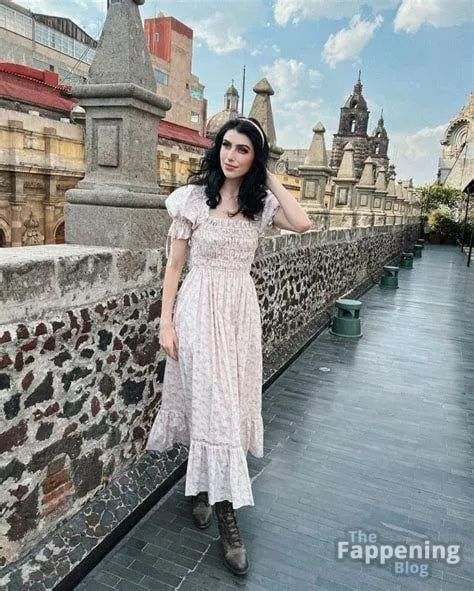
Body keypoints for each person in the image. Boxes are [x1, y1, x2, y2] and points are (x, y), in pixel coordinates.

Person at [147, 117, 311, 575]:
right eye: (226, 145)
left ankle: (202, 488)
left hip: (239, 315)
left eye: (243, 149)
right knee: (212, 402)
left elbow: (302, 222)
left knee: (227, 403)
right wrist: (166, 323)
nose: (231, 155)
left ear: (255, 158)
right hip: (198, 309)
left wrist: (269, 175)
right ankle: (227, 517)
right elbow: (174, 268)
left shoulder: (260, 206)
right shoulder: (192, 200)